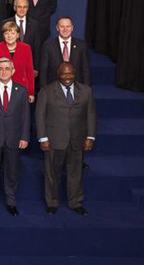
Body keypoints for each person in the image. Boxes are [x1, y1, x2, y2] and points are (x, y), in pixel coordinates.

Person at [36, 62, 97, 215]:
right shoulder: (47, 90)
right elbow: (40, 116)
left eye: (70, 73)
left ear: (74, 74)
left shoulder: (86, 91)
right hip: (54, 139)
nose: (67, 77)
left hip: (77, 139)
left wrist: (90, 136)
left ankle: (75, 202)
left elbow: (91, 114)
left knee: (76, 173)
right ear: (59, 75)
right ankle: (52, 202)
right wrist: (43, 138)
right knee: (52, 173)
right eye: (64, 74)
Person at [0, 57, 30, 216]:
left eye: (7, 68)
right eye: (0, 69)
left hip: (14, 138)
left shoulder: (22, 91)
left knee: (12, 171)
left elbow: (25, 117)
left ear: (13, 71)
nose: (3, 71)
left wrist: (24, 137)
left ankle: (11, 201)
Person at [40, 17, 91, 88]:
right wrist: (44, 92)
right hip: (54, 90)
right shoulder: (48, 46)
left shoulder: (81, 46)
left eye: (68, 26)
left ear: (72, 28)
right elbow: (43, 72)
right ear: (57, 28)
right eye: (62, 27)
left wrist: (86, 90)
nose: (65, 29)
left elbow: (86, 71)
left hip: (77, 89)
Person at [0, 21, 35, 99]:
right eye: (6, 33)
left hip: (21, 88)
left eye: (12, 33)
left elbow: (29, 71)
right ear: (3, 35)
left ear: (17, 35)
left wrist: (31, 92)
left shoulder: (26, 48)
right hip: (2, 88)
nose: (9, 36)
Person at [0, 0, 41, 65]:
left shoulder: (34, 24)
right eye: (19, 7)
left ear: (28, 8)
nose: (22, 9)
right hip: (9, 64)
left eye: (25, 7)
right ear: (14, 8)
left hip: (28, 63)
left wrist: (35, 67)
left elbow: (37, 47)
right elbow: (2, 44)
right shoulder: (5, 23)